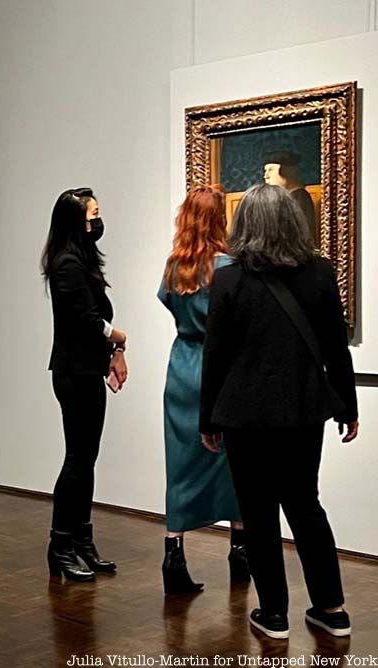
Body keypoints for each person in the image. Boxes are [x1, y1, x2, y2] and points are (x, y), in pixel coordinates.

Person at [200, 184, 358, 640]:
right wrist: (348, 406)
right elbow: (336, 348)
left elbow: (217, 355)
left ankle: (274, 616)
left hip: (245, 415)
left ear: (245, 225)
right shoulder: (320, 274)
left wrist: (207, 418)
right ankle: (332, 608)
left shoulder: (229, 280)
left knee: (260, 513)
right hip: (305, 412)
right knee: (306, 506)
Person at [158, 185, 248, 595]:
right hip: (219, 369)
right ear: (220, 220)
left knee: (179, 465)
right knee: (233, 463)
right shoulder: (228, 266)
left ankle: (173, 554)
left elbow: (168, 303)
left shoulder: (174, 267)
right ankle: (241, 552)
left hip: (181, 369)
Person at [41, 187, 127, 582]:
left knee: (86, 459)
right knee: (77, 459)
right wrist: (119, 338)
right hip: (74, 373)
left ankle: (80, 540)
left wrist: (112, 350)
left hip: (87, 369)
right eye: (93, 213)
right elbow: (87, 320)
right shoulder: (66, 264)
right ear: (75, 220)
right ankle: (60, 545)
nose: (98, 219)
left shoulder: (82, 259)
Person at [263, 150, 317, 248]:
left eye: (270, 170)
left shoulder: (299, 196)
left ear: (285, 171)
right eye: (265, 171)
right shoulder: (277, 197)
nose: (266, 176)